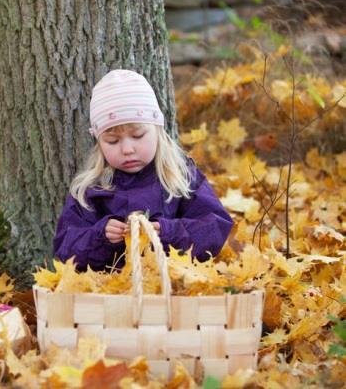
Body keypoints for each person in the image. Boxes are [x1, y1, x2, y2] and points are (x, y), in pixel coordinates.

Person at [53, 69, 233, 272]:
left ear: (157, 131)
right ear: (99, 143)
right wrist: (101, 236)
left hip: (173, 287)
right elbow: (64, 250)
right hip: (111, 293)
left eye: (138, 136)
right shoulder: (91, 190)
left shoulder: (180, 177)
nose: (127, 149)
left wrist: (167, 232)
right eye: (112, 141)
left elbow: (215, 228)